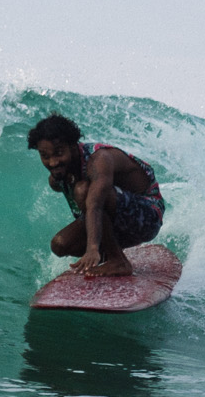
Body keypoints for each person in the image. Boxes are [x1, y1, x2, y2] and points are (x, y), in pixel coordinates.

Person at [25, 114, 163, 278]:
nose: (53, 162)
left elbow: (95, 204)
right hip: (117, 223)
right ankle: (109, 256)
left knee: (83, 190)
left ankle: (118, 261)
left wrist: (92, 248)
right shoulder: (58, 179)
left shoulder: (99, 159)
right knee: (60, 245)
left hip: (148, 217)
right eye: (45, 156)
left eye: (59, 153)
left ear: (73, 146)